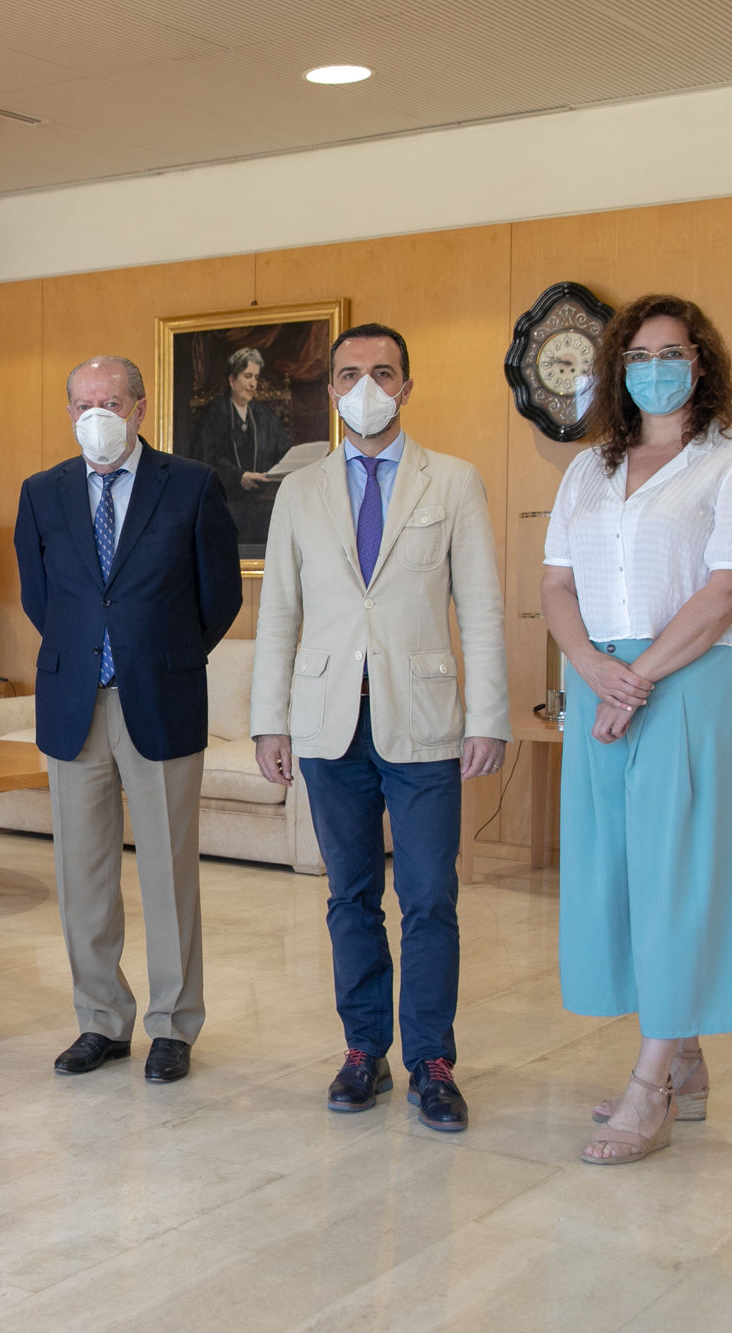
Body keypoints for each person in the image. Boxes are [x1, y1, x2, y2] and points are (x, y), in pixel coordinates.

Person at [539, 294, 732, 1166]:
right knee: (619, 870)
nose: (653, 369)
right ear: (617, 370)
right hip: (598, 677)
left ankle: (652, 1088)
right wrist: (590, 665)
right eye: (636, 356)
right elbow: (556, 584)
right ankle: (686, 1056)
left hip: (689, 678)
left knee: (679, 870)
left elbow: (728, 590)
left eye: (669, 353)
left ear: (700, 361)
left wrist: (638, 678)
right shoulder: (587, 471)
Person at [250, 322, 508, 1132]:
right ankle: (364, 1048)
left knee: (429, 895)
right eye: (350, 373)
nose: (367, 387)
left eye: (384, 372)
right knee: (351, 895)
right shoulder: (300, 491)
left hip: (425, 719)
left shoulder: (453, 481)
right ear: (330, 390)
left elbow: (483, 609)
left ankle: (432, 1060)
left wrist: (489, 716)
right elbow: (278, 613)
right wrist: (268, 721)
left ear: (407, 386)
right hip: (328, 722)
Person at [13, 355, 242, 1085]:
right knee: (82, 875)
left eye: (109, 401)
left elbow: (221, 596)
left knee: (169, 874)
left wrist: (161, 654)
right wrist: (90, 653)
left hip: (161, 696)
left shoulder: (192, 484)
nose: (96, 415)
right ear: (69, 411)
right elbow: (41, 597)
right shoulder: (42, 492)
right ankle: (101, 1019)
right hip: (74, 701)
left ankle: (173, 1025)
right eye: (83, 403)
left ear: (140, 408)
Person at [190, 347, 293, 548]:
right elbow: (207, 457)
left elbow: (283, 451)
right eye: (247, 376)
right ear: (232, 380)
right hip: (226, 499)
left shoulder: (264, 415)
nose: (253, 383)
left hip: (264, 498)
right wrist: (239, 477)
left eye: (256, 377)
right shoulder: (214, 414)